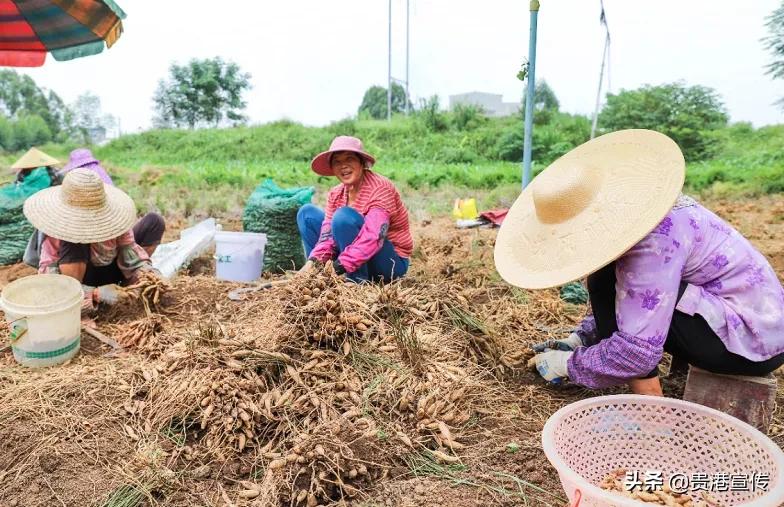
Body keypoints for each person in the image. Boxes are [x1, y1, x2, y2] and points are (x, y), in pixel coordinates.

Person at [494, 129, 784, 396]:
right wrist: (582, 337)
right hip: (751, 318)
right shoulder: (645, 215)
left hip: (750, 341)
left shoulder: (652, 242)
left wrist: (568, 364)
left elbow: (635, 353)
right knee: (608, 276)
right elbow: (633, 297)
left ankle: (651, 409)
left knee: (604, 280)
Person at [23, 168, 165, 311]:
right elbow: (50, 281)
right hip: (75, 285)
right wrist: (95, 294)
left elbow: (132, 256)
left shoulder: (115, 223)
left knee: (154, 221)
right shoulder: (59, 231)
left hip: (110, 273)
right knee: (75, 239)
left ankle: (127, 290)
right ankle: (80, 304)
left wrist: (149, 276)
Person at [296, 136, 413, 283]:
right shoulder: (336, 193)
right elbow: (327, 236)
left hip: (389, 262)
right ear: (332, 168)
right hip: (352, 256)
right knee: (307, 214)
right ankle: (316, 276)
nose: (343, 165)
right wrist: (313, 262)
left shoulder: (380, 188)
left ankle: (357, 282)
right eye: (337, 162)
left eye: (349, 159)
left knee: (343, 217)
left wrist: (339, 266)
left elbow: (374, 236)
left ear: (362, 163)